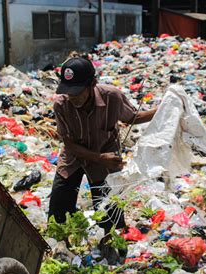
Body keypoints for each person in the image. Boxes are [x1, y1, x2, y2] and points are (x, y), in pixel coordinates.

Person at [49, 57, 156, 235]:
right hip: (74, 157)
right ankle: (61, 244)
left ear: (93, 83)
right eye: (68, 92)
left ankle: (109, 242)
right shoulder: (61, 104)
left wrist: (162, 109)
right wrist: (99, 158)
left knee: (110, 212)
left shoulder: (112, 97)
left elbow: (132, 118)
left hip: (105, 157)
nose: (72, 97)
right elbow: (68, 144)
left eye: (77, 91)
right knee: (59, 207)